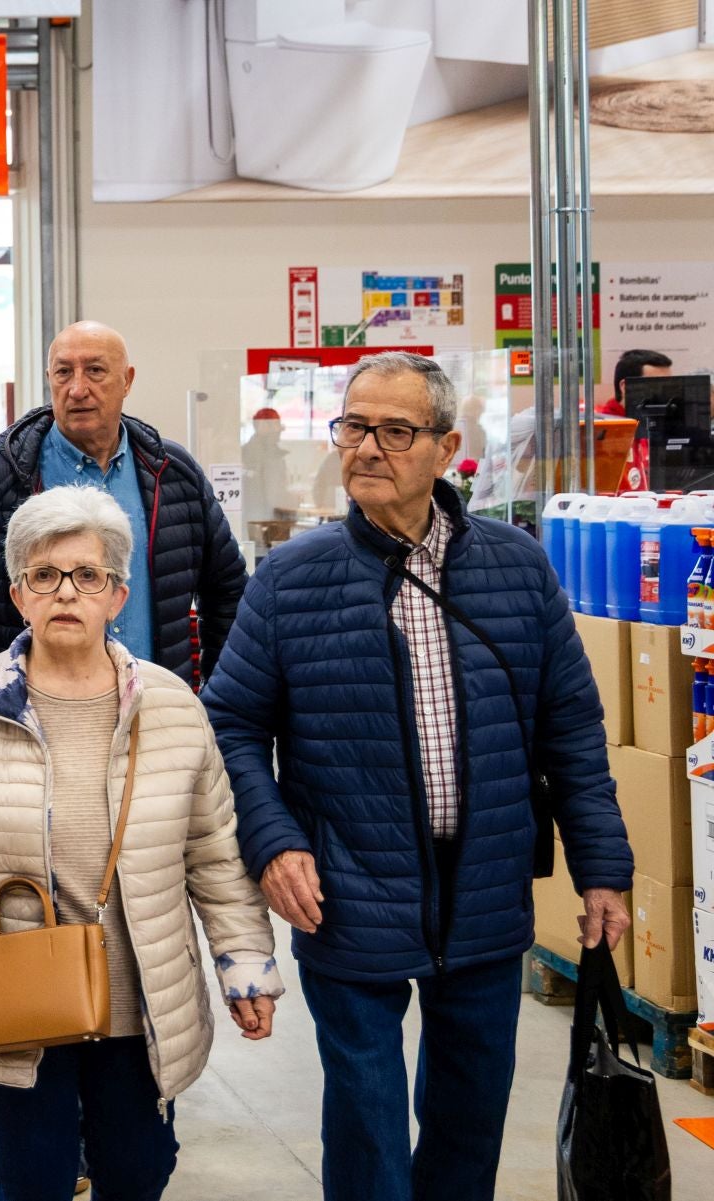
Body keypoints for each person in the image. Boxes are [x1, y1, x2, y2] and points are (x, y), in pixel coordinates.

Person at [201, 351, 634, 1201]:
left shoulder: (517, 568)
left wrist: (604, 868)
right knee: (366, 1120)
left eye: (394, 431)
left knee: (469, 1116)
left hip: (484, 887)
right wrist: (274, 840)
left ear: (445, 447)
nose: (366, 447)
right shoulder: (292, 579)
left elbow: (572, 730)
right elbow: (233, 723)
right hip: (349, 884)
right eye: (353, 426)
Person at [0, 485, 283, 1201]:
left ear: (118, 594)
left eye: (88, 575)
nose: (67, 592)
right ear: (18, 593)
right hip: (16, 989)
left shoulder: (172, 708)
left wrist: (243, 958)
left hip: (141, 994)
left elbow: (214, 852)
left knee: (138, 1167)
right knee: (34, 1173)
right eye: (45, 575)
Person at [0, 320, 247, 685]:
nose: (77, 389)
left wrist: (218, 700)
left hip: (158, 711)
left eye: (96, 371)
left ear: (127, 380)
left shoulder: (174, 474)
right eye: (64, 372)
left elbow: (228, 594)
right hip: (35, 718)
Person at [602, 347, 673, 417]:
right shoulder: (604, 425)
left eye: (667, 385)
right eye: (654, 385)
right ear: (626, 387)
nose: (662, 392)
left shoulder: (668, 418)